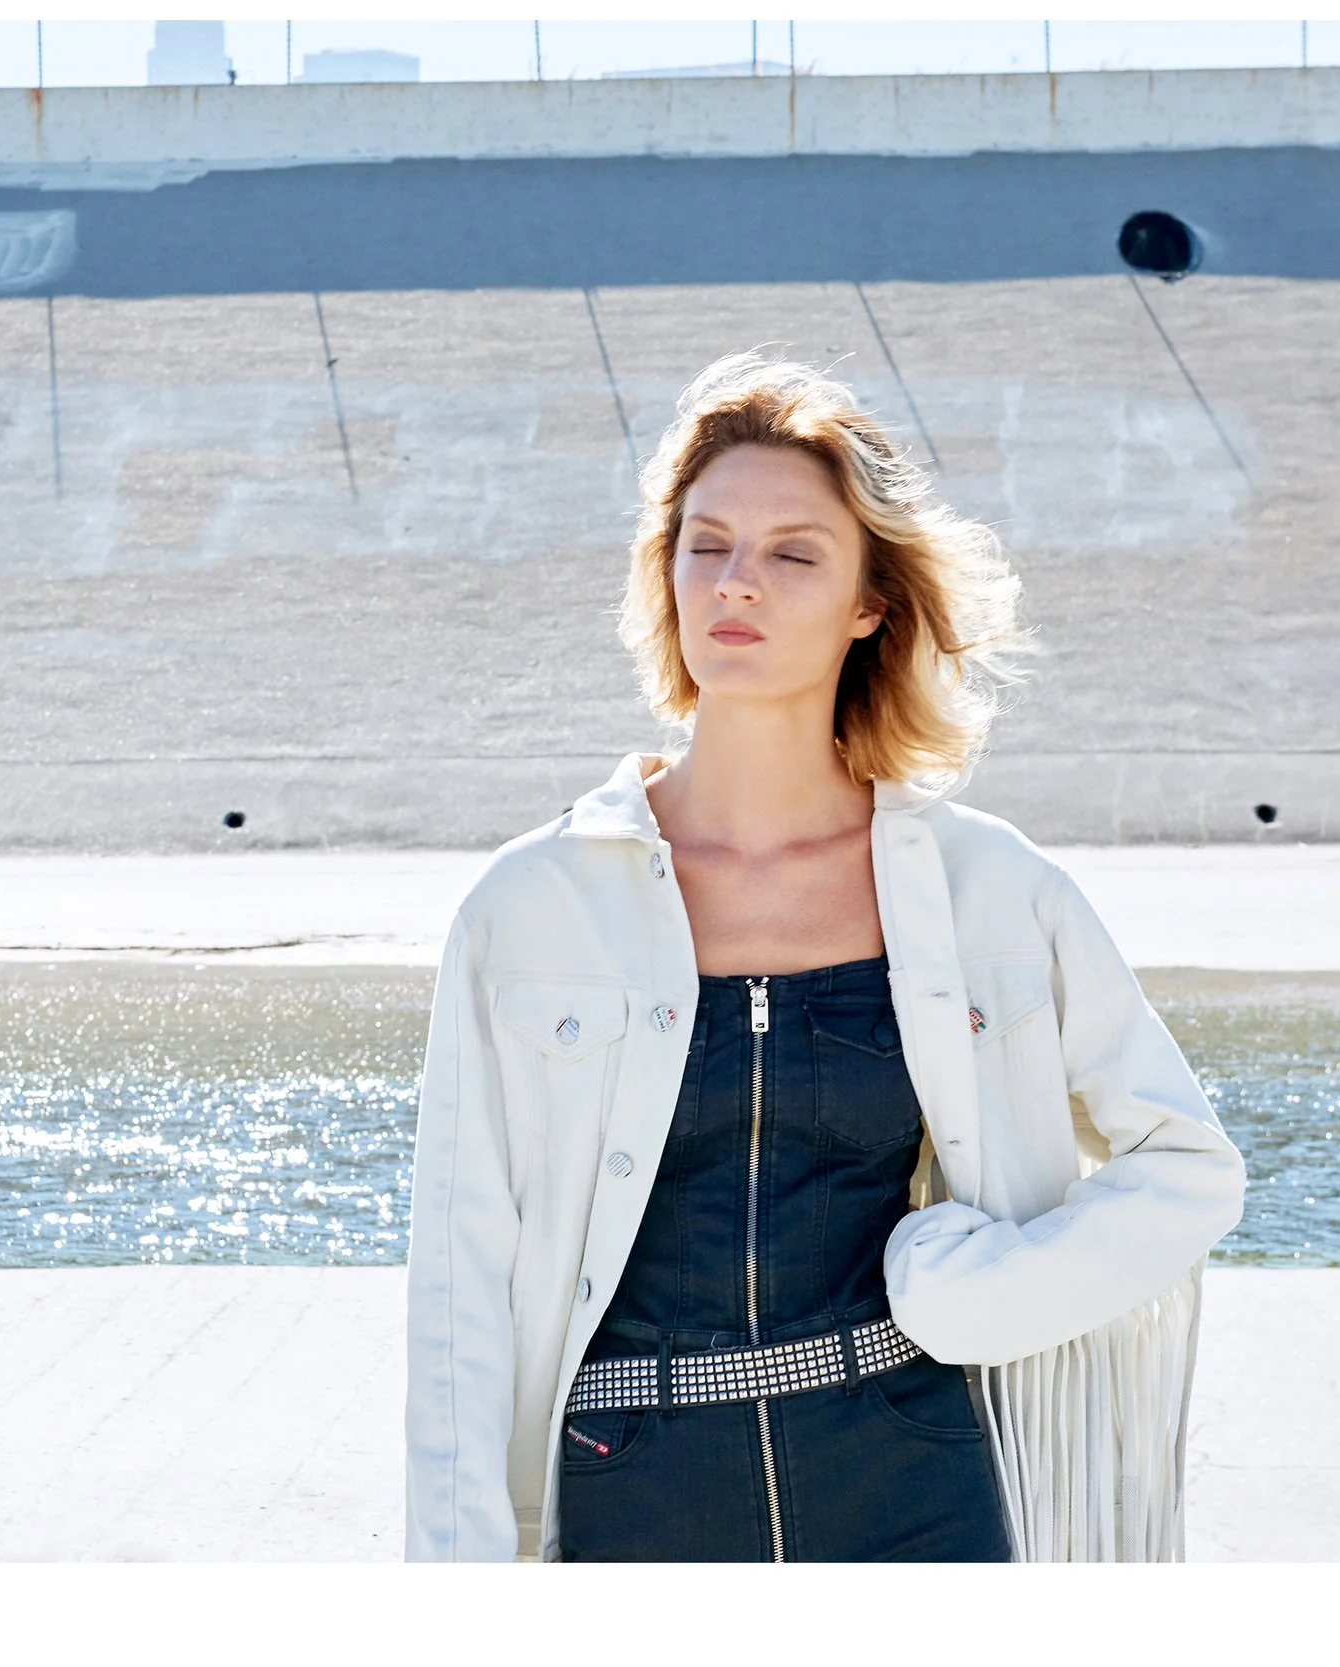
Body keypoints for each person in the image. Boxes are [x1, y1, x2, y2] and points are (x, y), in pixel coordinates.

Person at [401, 351, 1246, 1562]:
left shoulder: (987, 889)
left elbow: (1187, 1165)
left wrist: (989, 1295)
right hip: (630, 1490)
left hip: (915, 1481)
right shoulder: (530, 908)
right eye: (707, 543)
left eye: (793, 552)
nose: (737, 580)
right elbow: (456, 1283)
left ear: (869, 603)